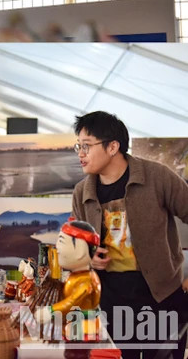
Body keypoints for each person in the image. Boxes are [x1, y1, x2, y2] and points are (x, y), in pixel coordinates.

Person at [71, 111, 188, 359]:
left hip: (163, 297)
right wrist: (89, 258)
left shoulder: (157, 176)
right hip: (112, 303)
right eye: (78, 146)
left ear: (113, 146)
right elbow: (77, 244)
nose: (80, 153)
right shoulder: (81, 192)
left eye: (87, 146)